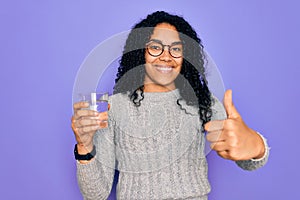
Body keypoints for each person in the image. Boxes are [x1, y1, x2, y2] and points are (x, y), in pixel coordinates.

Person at [71, 11, 269, 200]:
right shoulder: (114, 107)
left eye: (175, 49)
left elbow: (247, 160)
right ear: (141, 52)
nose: (166, 56)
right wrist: (84, 146)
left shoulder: (202, 101)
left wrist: (255, 145)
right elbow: (95, 194)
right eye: (155, 47)